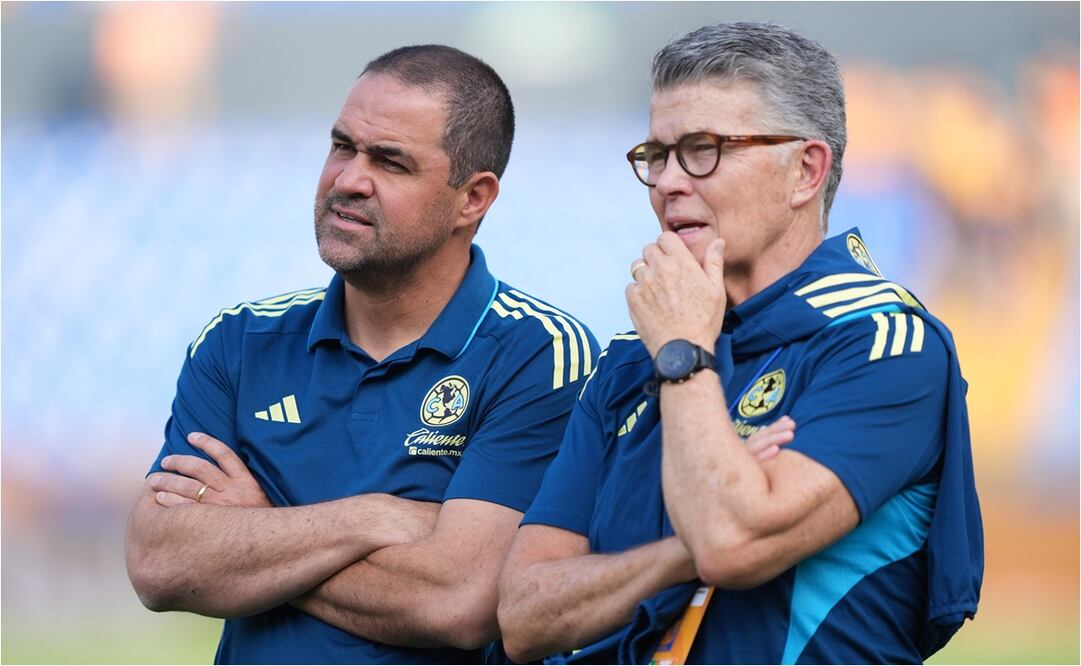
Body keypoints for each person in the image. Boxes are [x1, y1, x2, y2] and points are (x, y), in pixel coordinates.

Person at [497, 21, 983, 664]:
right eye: (657, 155)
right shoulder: (627, 361)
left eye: (703, 150)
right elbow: (525, 615)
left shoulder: (886, 345)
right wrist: (680, 552)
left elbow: (729, 543)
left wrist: (684, 357)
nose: (668, 181)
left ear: (805, 171)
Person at [124, 44, 598, 664]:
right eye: (342, 146)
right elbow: (159, 562)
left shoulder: (541, 354)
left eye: (390, 162)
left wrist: (258, 529)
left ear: (474, 198)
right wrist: (370, 518)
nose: (348, 180)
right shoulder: (239, 340)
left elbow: (461, 601)